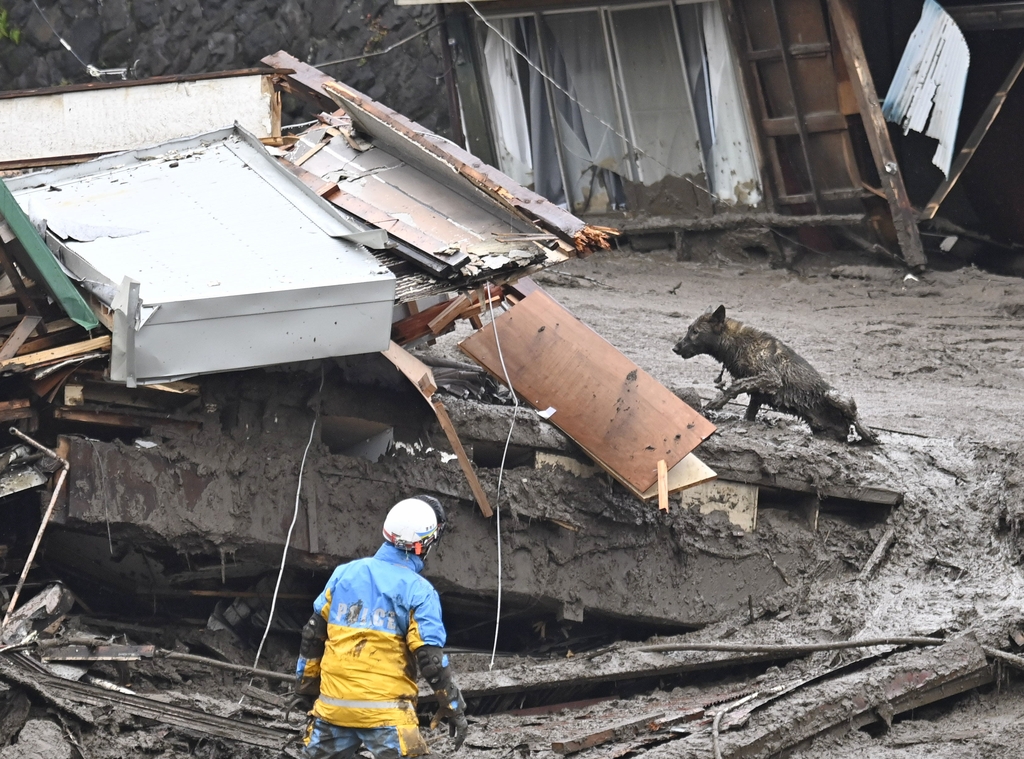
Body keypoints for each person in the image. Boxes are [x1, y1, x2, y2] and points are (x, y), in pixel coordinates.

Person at [294, 495, 468, 758]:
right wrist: (453, 706)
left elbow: (312, 637)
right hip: (388, 717)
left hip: (332, 710)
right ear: (424, 545)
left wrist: (305, 691)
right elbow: (431, 661)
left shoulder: (344, 574)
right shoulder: (420, 591)